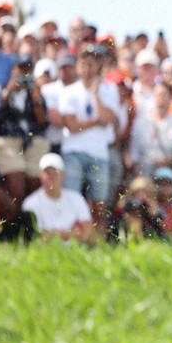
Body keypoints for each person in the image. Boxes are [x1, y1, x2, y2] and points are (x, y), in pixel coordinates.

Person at [59, 44, 121, 236]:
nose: (87, 68)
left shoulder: (110, 89)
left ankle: (98, 243)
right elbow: (71, 125)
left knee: (99, 205)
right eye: (83, 63)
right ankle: (71, 242)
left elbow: (108, 119)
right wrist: (96, 122)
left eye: (91, 63)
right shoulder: (69, 91)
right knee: (72, 199)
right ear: (77, 66)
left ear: (97, 66)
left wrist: (95, 94)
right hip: (73, 152)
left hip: (98, 154)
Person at [0, 54, 50, 208]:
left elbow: (43, 122)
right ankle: (16, 219)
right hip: (8, 139)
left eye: (27, 70)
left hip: (32, 140)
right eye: (20, 69)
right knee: (17, 189)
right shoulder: (2, 88)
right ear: (13, 70)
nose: (24, 74)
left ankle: (30, 219)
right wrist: (8, 92)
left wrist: (36, 99)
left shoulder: (35, 91)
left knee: (35, 185)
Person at [21, 153, 95, 244]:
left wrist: (53, 233)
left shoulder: (76, 198)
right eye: (47, 172)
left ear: (63, 175)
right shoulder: (30, 203)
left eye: (55, 172)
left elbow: (89, 234)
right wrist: (72, 234)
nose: (51, 176)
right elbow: (35, 237)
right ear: (40, 175)